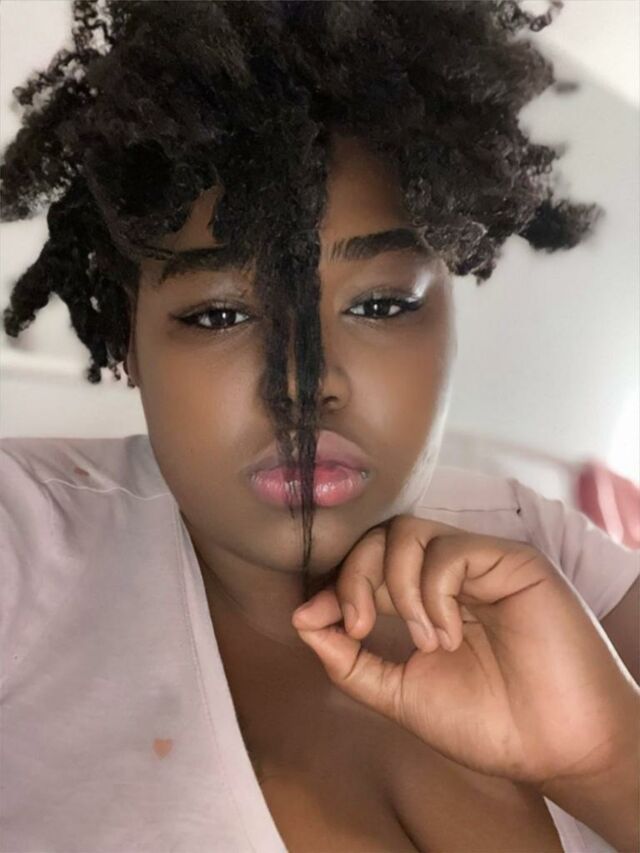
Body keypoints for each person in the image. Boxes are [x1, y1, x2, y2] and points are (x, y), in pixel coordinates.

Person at [1, 2, 638, 851]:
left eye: (380, 304)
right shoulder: (24, 544)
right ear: (130, 341)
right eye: (220, 314)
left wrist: (610, 759)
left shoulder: (541, 552)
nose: (302, 385)